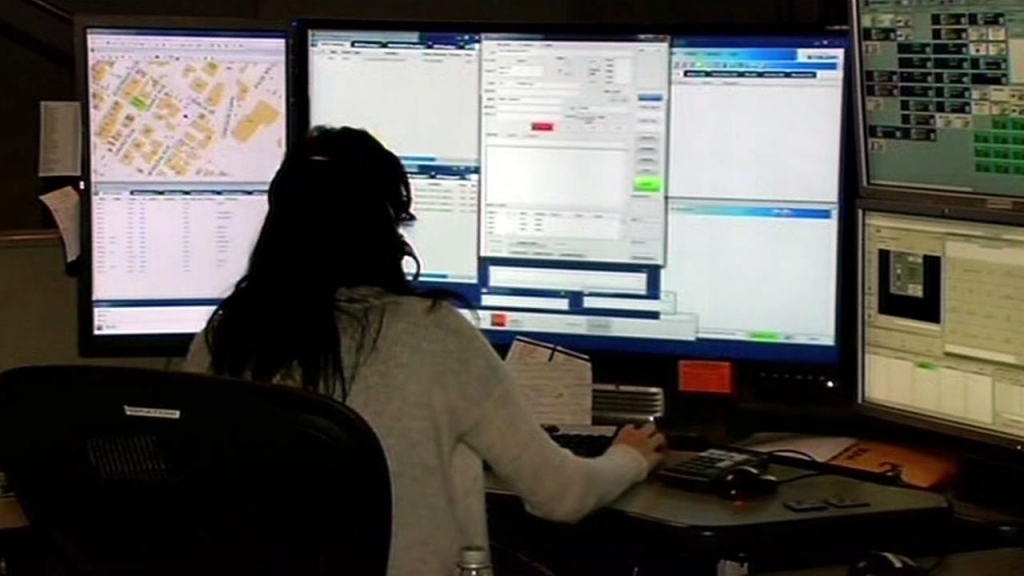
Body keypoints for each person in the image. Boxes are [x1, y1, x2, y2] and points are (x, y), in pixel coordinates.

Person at [183, 126, 666, 576]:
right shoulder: (433, 337)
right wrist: (630, 457)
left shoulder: (220, 341)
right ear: (387, 228)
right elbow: (561, 495)